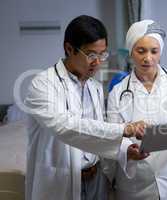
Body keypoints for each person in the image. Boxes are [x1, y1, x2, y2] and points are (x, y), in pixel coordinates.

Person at [24, 15, 147, 200]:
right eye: (91, 55)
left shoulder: (95, 87)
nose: (98, 62)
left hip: (96, 179)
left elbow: (96, 133)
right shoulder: (42, 84)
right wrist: (124, 128)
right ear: (69, 49)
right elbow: (65, 126)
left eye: (102, 54)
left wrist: (124, 151)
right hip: (60, 180)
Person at [105, 19, 167, 200]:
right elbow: (114, 134)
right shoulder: (118, 92)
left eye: (154, 51)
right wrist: (128, 151)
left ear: (160, 52)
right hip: (137, 181)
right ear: (131, 52)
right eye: (141, 51)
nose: (148, 58)